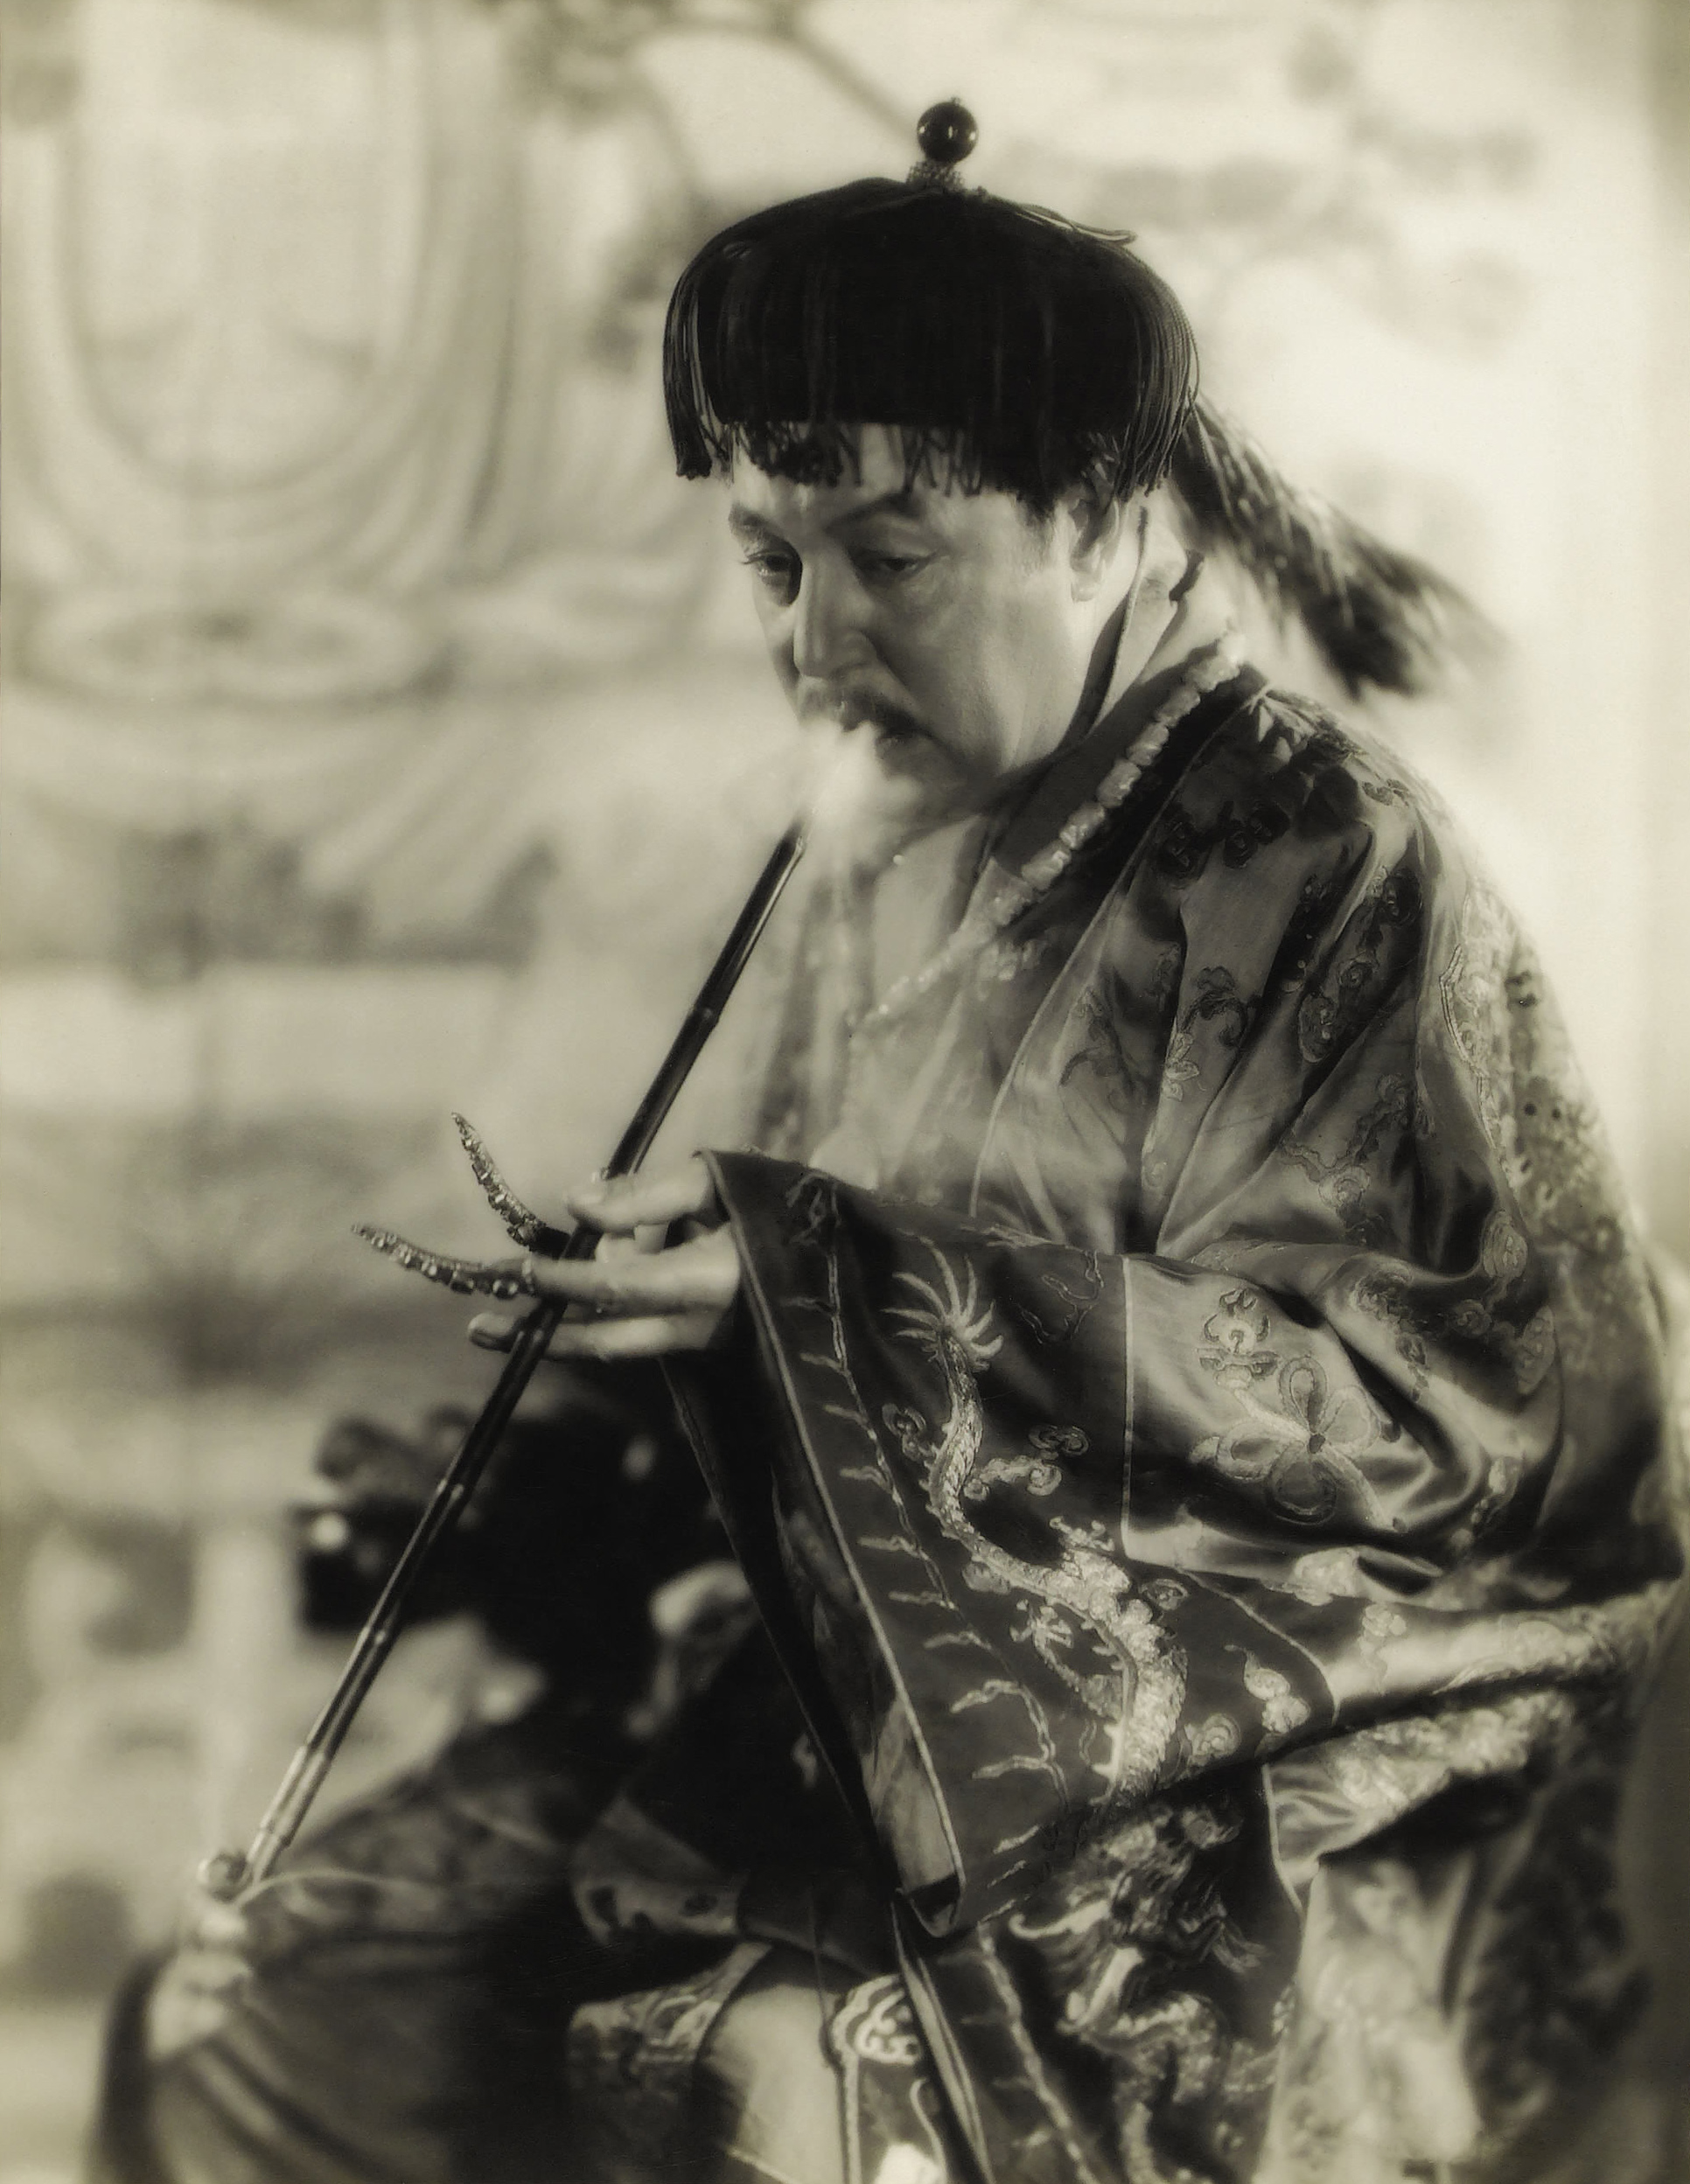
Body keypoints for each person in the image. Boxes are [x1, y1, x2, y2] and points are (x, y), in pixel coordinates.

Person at [100, 105, 1685, 2184]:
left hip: (1250, 1723)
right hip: (867, 1676)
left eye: (892, 559)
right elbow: (795, 1312)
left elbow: (1464, 1416)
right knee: (271, 1999)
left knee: (770, 2084)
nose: (816, 645)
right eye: (772, 562)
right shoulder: (892, 841)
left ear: (1103, 517)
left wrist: (817, 1289)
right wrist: (597, 1423)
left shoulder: (1317, 853)